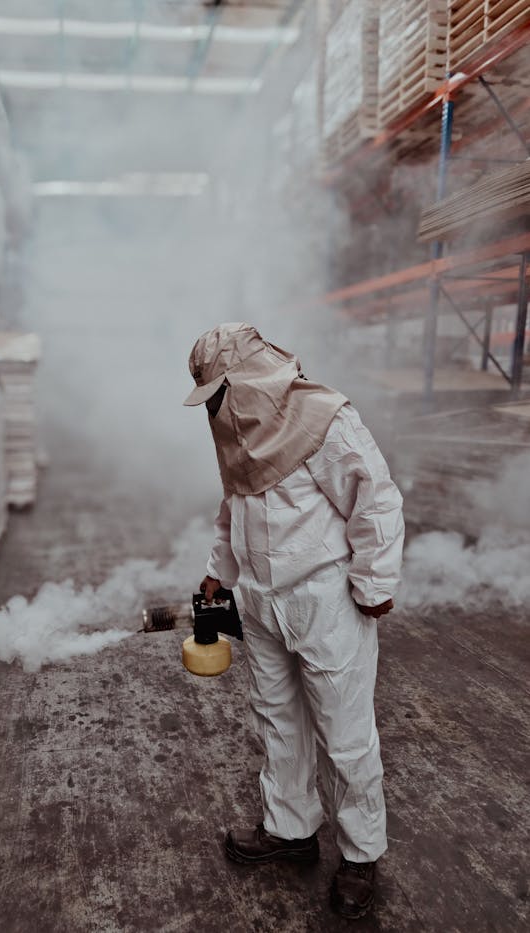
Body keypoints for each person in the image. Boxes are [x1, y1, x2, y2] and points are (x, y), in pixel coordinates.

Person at [184, 323, 404, 920]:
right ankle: (291, 828)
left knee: (345, 733)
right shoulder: (239, 434)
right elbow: (233, 508)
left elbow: (376, 498)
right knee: (277, 720)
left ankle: (360, 856)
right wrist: (218, 573)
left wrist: (374, 582)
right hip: (260, 602)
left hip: (324, 601)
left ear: (244, 381)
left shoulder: (325, 418)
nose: (215, 410)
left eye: (218, 394)